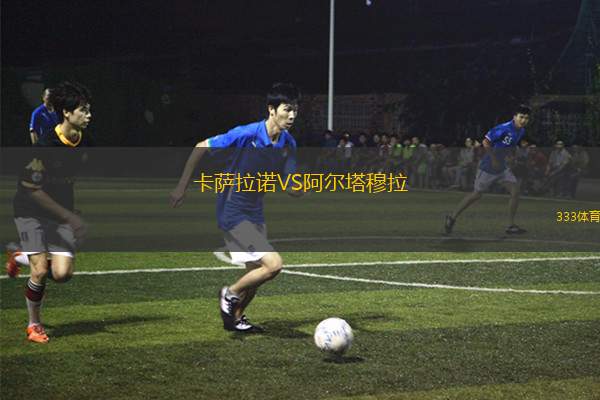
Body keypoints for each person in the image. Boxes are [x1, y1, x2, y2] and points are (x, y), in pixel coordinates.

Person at [170, 83, 301, 333]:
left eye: (295, 109)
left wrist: (297, 188)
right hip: (232, 210)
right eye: (287, 109)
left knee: (256, 275)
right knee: (273, 265)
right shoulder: (247, 134)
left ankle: (236, 319)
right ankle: (229, 293)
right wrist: (181, 186)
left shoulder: (289, 143)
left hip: (255, 212)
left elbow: (289, 183)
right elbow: (201, 146)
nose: (292, 115)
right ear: (271, 110)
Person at [6, 81, 91, 343]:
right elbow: (32, 190)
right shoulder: (45, 147)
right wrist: (70, 217)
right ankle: (34, 325)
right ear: (67, 112)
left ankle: (19, 255)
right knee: (41, 270)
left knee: (62, 275)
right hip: (29, 210)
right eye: (83, 110)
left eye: (89, 110)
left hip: (59, 213)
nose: (89, 115)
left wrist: (70, 210)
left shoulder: (83, 142)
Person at [444, 105, 531, 235]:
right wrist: (494, 159)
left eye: (526, 118)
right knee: (476, 195)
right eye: (521, 117)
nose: (523, 120)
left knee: (515, 191)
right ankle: (452, 217)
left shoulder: (521, 131)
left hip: (502, 168)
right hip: (488, 167)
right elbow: (486, 142)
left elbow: (511, 145)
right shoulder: (503, 128)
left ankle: (510, 225)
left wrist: (511, 156)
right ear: (514, 117)